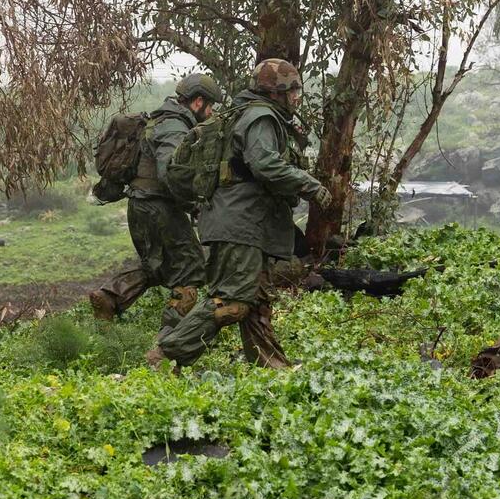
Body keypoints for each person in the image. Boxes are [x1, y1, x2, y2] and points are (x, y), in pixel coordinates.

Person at [152, 58, 329, 369]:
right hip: (238, 224)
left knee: (256, 300)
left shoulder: (249, 113)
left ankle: (272, 367)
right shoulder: (261, 117)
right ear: (277, 93)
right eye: (294, 91)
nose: (297, 98)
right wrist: (310, 185)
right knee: (231, 303)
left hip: (245, 223)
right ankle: (164, 355)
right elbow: (265, 164)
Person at [89, 74, 223, 320]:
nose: (211, 112)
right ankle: (170, 339)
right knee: (192, 270)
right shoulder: (175, 126)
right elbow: (169, 172)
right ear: (198, 102)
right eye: (211, 106)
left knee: (156, 265)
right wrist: (192, 204)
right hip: (159, 207)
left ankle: (110, 296)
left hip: (139, 205)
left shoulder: (157, 120)